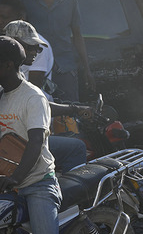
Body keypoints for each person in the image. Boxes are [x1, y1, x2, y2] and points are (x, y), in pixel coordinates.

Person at [0, 36, 87, 234]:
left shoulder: (32, 98)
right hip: (7, 182)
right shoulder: (1, 95)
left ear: (9, 65)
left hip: (37, 183)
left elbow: (36, 142)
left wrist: (16, 178)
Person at [3, 19, 87, 172]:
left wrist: (74, 108)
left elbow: (33, 103)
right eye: (30, 47)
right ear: (12, 43)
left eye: (38, 48)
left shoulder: (16, 72)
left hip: (14, 138)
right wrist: (74, 109)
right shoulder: (8, 74)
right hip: (11, 143)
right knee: (77, 147)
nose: (35, 53)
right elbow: (35, 105)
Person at [20, 0, 94, 102]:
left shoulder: (70, 0)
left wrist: (87, 69)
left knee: (69, 111)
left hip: (64, 67)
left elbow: (77, 35)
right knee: (39, 106)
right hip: (37, 68)